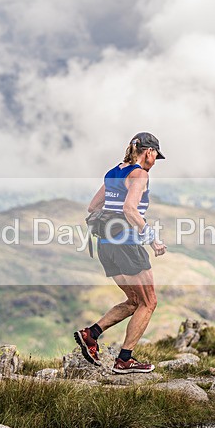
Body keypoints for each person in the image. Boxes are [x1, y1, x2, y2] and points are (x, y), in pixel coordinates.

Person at [74, 132, 167, 374]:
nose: (155, 161)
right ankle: (125, 360)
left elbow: (93, 207)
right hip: (126, 244)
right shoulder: (140, 174)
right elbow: (130, 209)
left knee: (135, 301)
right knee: (149, 302)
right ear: (148, 152)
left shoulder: (114, 172)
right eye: (156, 155)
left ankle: (90, 334)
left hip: (106, 245)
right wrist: (152, 238)